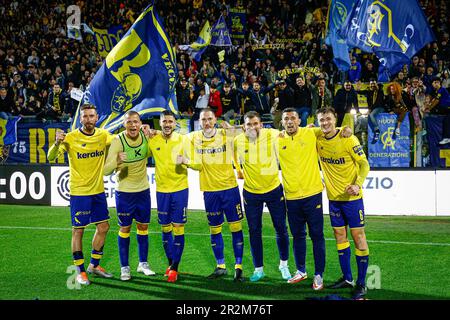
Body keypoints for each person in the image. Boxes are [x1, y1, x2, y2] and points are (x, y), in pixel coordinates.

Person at [47, 103, 114, 286]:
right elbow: (51, 157)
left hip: (98, 191)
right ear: (80, 118)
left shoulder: (103, 135)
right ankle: (80, 271)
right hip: (79, 192)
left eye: (91, 116)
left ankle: (94, 265)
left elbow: (120, 140)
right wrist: (56, 142)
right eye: (85, 116)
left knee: (104, 227)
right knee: (78, 231)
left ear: (97, 117)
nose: (88, 119)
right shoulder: (70, 138)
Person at [315, 106, 370, 300]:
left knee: (358, 236)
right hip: (334, 199)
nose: (325, 123)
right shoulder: (318, 138)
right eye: (321, 120)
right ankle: (347, 278)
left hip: (352, 199)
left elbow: (364, 164)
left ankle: (362, 282)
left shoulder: (348, 138)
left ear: (335, 119)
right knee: (339, 235)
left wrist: (358, 184)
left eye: (328, 119)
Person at [187, 108, 245, 282]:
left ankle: (238, 267)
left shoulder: (226, 133)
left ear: (215, 120)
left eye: (209, 119)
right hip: (210, 191)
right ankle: (220, 266)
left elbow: (248, 129)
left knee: (235, 227)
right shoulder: (194, 137)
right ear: (199, 121)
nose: (206, 122)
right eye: (203, 119)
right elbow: (173, 134)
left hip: (229, 189)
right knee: (215, 228)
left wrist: (232, 126)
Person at [233, 111, 291, 282]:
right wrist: (238, 169)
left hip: (274, 190)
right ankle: (259, 269)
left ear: (261, 124)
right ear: (244, 126)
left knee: (281, 228)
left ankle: (284, 265)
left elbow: (291, 131)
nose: (252, 127)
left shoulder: (272, 134)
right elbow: (233, 155)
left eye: (255, 123)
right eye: (249, 124)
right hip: (251, 193)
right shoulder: (238, 140)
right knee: (254, 231)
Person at [148, 110, 201, 283]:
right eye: (164, 122)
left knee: (178, 227)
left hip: (179, 190)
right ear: (160, 123)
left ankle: (175, 268)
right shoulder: (153, 140)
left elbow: (199, 164)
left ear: (175, 123)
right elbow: (140, 152)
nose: (167, 124)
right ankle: (170, 264)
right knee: (165, 228)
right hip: (161, 191)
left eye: (170, 121)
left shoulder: (183, 139)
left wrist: (186, 161)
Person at [103, 111, 156, 281]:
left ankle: (143, 263)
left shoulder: (146, 137)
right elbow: (105, 171)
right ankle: (124, 268)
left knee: (143, 228)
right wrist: (117, 161)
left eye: (135, 122)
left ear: (140, 123)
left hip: (143, 191)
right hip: (124, 193)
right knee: (125, 229)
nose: (133, 125)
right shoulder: (118, 141)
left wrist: (154, 132)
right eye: (129, 122)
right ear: (123, 124)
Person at [278, 108, 325, 290]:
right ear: (282, 122)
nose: (290, 122)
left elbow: (331, 129)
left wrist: (346, 128)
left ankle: (319, 274)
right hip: (291, 197)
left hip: (313, 194)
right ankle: (301, 270)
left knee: (317, 235)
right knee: (297, 235)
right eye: (286, 119)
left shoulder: (310, 132)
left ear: (299, 120)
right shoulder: (277, 139)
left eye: (293, 118)